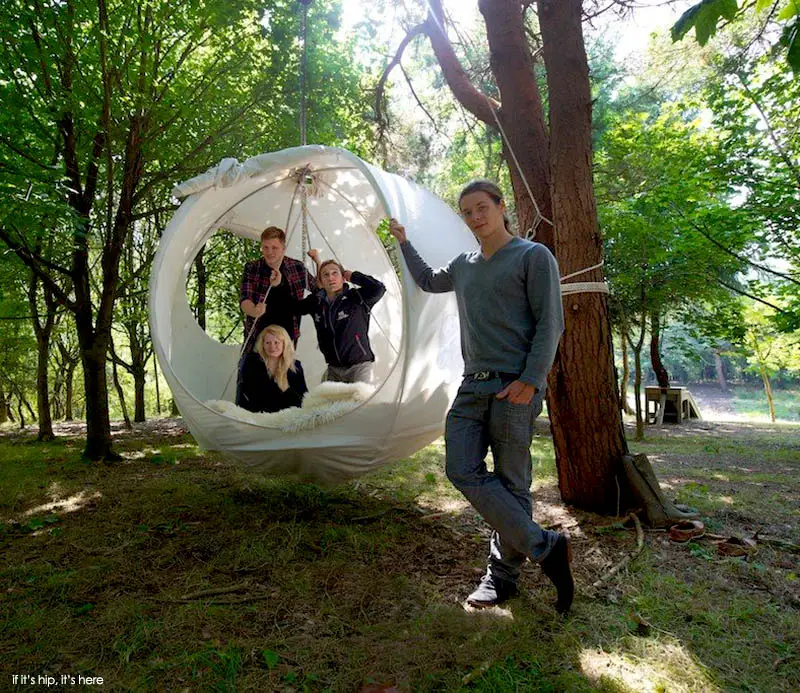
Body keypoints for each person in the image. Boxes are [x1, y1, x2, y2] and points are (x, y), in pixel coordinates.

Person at [388, 179, 574, 614]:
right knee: (461, 468)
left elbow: (552, 323)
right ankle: (545, 546)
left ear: (500, 206)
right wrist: (404, 242)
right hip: (472, 384)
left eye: (481, 208)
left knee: (513, 483)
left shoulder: (533, 256)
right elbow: (428, 281)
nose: (475, 217)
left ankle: (502, 578)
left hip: (515, 385)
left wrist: (531, 379)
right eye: (467, 211)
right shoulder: (465, 264)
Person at [237, 226, 319, 405]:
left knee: (287, 382)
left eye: (274, 248)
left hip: (286, 337)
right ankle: (246, 421)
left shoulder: (296, 267)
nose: (270, 252)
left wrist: (304, 306)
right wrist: (253, 310)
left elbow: (319, 291)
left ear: (283, 247)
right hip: (258, 334)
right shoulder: (253, 268)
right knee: (248, 379)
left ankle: (289, 422)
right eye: (265, 247)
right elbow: (244, 301)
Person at [269, 259, 386, 383]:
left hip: (359, 367)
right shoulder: (315, 302)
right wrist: (278, 285)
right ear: (320, 281)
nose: (330, 277)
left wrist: (353, 276)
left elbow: (379, 289)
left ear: (343, 278)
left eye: (335, 273)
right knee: (327, 402)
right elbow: (291, 307)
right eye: (325, 274)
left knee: (361, 401)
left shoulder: (357, 297)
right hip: (334, 369)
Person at [239, 325, 308, 413]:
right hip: (257, 416)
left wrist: (286, 389)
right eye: (268, 343)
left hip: (286, 417)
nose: (272, 347)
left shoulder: (295, 366)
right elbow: (251, 396)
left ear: (284, 344)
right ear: (262, 344)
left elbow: (303, 400)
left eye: (276, 342)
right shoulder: (252, 363)